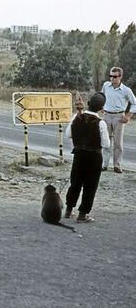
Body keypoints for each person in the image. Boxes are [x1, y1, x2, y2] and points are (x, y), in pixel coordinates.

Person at [64, 92, 110, 223]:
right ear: (102, 108)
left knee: (75, 182)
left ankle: (68, 210)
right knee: (90, 186)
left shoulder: (77, 117)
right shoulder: (100, 123)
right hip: (94, 156)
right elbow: (106, 144)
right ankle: (83, 214)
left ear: (88, 103)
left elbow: (68, 134)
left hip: (78, 154)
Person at [101, 67, 136, 173]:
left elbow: (134, 102)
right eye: (110, 76)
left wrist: (128, 116)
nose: (112, 78)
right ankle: (104, 165)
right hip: (106, 115)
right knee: (106, 141)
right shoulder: (106, 85)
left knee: (118, 143)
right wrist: (102, 107)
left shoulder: (126, 90)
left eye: (114, 76)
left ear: (120, 77)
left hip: (119, 117)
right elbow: (102, 95)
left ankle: (117, 165)